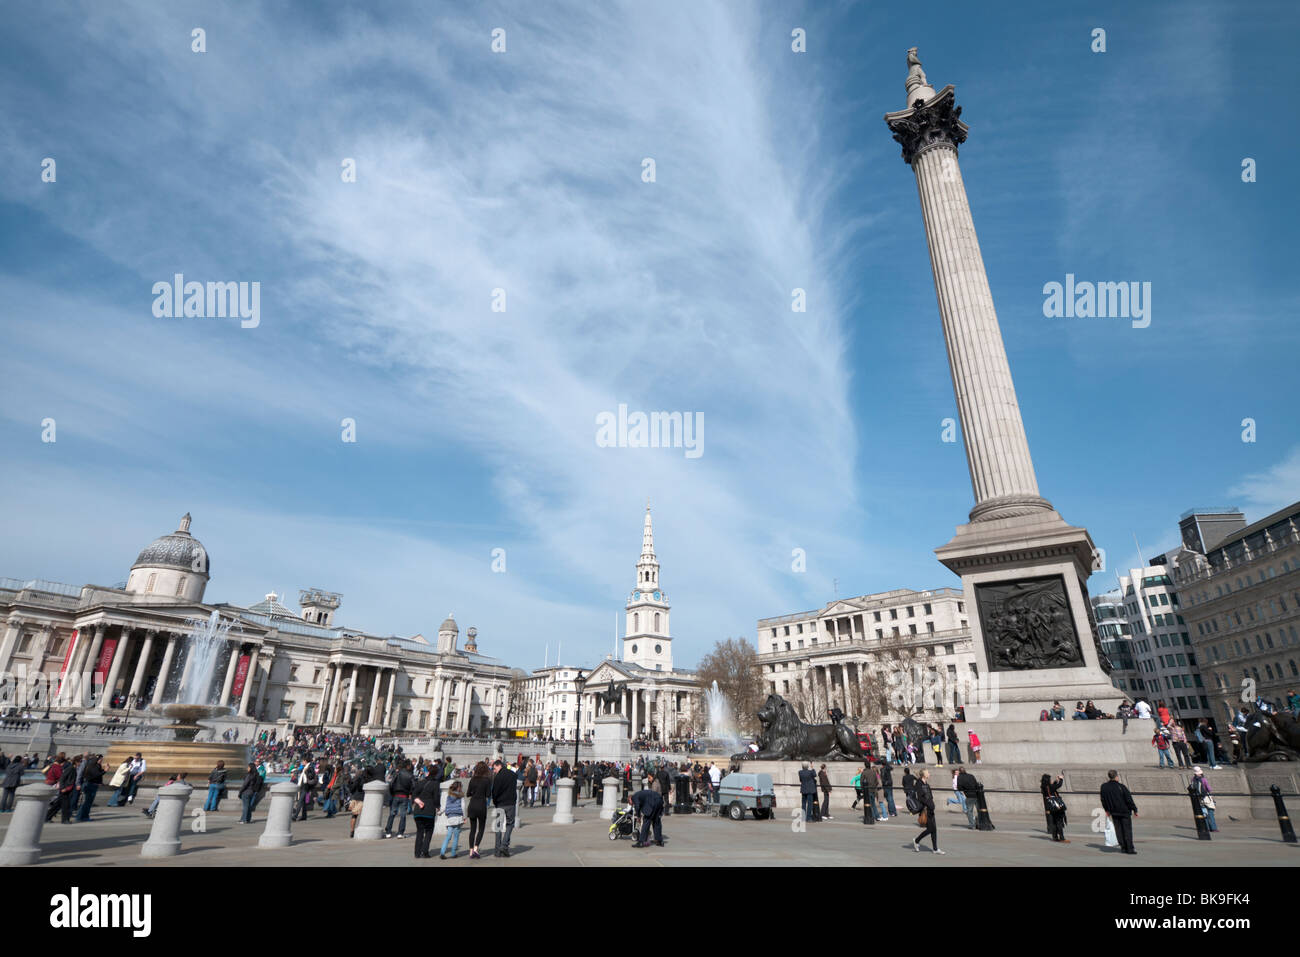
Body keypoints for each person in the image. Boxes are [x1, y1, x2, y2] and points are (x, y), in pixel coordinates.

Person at [1099, 769, 1138, 855]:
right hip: (1124, 811)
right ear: (1116, 777)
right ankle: (1129, 848)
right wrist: (1134, 809)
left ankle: (1123, 847)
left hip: (1113, 812)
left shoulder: (1104, 787)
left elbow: (1103, 800)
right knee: (1127, 830)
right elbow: (1128, 799)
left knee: (1118, 830)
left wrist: (1107, 810)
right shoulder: (1121, 786)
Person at [410, 766, 441, 859]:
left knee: (419, 832)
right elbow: (436, 798)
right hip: (429, 810)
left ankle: (417, 852)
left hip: (418, 810)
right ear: (436, 774)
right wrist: (437, 806)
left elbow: (414, 794)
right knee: (428, 831)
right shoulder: (435, 784)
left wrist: (419, 802)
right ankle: (425, 852)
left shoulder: (421, 782)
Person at [490, 758, 518, 858]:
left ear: (499, 766)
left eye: (494, 768)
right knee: (510, 824)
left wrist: (495, 801)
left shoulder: (498, 777)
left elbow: (495, 791)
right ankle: (504, 845)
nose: (494, 770)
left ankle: (498, 850)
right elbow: (516, 777)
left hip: (500, 804)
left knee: (498, 826)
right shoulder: (512, 775)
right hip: (510, 804)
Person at [911, 768, 942, 854]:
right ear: (924, 774)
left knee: (934, 829)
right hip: (925, 809)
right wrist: (929, 804)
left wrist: (932, 804)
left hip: (931, 809)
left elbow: (930, 796)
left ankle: (935, 849)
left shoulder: (926, 784)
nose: (929, 773)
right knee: (931, 829)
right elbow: (920, 798)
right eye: (928, 772)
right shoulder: (919, 784)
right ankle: (917, 840)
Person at [440, 780, 465, 859]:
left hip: (450, 818)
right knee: (456, 836)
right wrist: (465, 817)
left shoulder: (448, 796)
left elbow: (444, 806)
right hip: (457, 818)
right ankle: (453, 853)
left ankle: (442, 852)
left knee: (448, 836)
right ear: (458, 788)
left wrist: (440, 812)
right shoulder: (461, 796)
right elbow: (463, 807)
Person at [1041, 772, 1068, 842]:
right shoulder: (1050, 787)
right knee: (1058, 822)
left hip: (1050, 807)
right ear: (1048, 781)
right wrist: (1061, 779)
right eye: (1050, 779)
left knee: (1053, 823)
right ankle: (1062, 837)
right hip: (1056, 807)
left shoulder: (1044, 787)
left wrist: (1055, 781)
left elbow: (1052, 787)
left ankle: (1055, 837)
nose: (1050, 780)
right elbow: (1059, 785)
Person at [76, 754, 103, 822]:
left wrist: (100, 782)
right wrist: (105, 771)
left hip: (94, 785)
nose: (101, 761)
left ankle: (85, 816)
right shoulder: (92, 766)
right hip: (89, 785)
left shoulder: (97, 766)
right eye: (100, 759)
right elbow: (95, 775)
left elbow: (98, 776)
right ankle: (80, 817)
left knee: (89, 802)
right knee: (86, 802)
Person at [1189, 767, 1217, 832]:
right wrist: (1211, 795)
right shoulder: (1203, 779)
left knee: (1204, 814)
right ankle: (1213, 828)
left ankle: (1206, 827)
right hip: (1206, 798)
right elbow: (1208, 788)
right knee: (1211, 812)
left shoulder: (1193, 779)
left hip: (1199, 798)